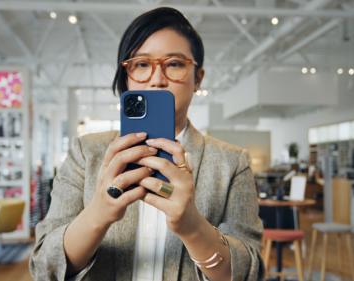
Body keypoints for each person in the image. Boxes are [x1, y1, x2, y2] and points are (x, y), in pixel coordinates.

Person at [29, 7, 265, 281]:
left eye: (174, 63)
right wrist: (98, 214)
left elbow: (250, 272)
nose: (157, 79)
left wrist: (193, 227)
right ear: (126, 77)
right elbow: (43, 266)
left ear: (197, 78)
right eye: (141, 64)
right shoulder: (85, 153)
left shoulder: (231, 162)